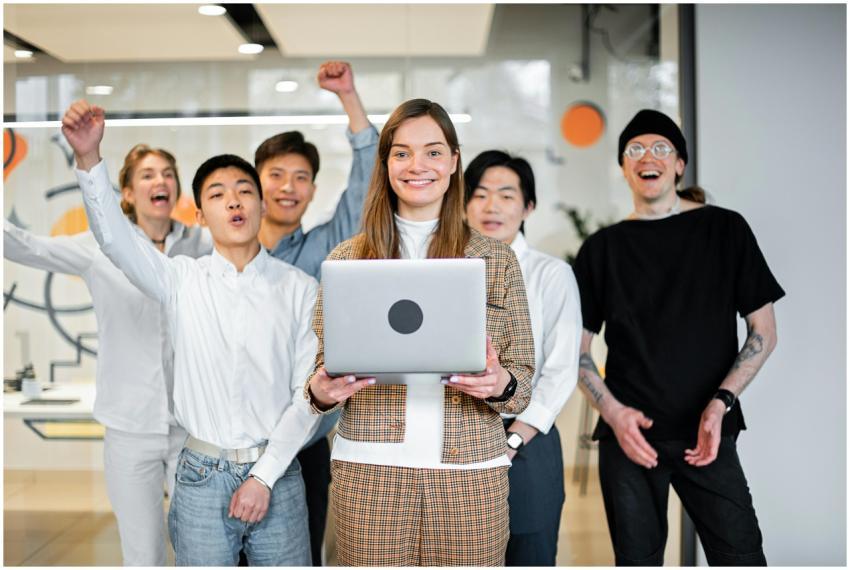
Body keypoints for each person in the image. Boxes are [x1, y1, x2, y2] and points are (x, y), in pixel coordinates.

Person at [62, 99, 320, 566]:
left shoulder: (300, 289)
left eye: (244, 190)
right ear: (201, 215)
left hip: (278, 472)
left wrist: (263, 477)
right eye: (218, 195)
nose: (235, 201)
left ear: (261, 204)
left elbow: (308, 396)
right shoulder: (180, 278)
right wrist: (88, 159)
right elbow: (114, 239)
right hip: (200, 473)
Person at [304, 99, 536, 566]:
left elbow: (522, 382)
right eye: (402, 152)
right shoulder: (348, 260)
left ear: (453, 161)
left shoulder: (495, 259)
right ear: (386, 163)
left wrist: (499, 384)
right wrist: (321, 390)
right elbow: (319, 377)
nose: (417, 166)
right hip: (370, 471)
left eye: (433, 152)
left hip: (470, 474)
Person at [572, 109, 784, 566]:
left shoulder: (725, 230)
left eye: (661, 148)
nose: (648, 157)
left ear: (680, 163)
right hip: (629, 438)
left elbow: (763, 331)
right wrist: (613, 412)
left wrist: (720, 403)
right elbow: (578, 351)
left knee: (741, 557)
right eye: (635, 150)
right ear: (624, 166)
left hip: (706, 431)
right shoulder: (601, 249)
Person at [4, 144, 210, 566]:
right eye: (149, 175)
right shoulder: (99, 246)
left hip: (194, 428)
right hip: (129, 427)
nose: (162, 181)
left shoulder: (202, 245)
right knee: (142, 552)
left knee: (202, 547)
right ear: (127, 193)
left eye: (169, 173)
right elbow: (25, 246)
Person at [254, 60, 377, 566]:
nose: (288, 186)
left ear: (310, 189)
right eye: (276, 174)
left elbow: (366, 183)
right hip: (231, 441)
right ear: (254, 182)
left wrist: (348, 96)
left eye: (301, 177)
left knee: (301, 557)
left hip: (304, 446)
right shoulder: (219, 258)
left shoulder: (328, 247)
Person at [463, 150, 582, 566]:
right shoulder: (444, 270)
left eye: (506, 195)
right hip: (458, 439)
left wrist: (514, 438)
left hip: (526, 441)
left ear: (528, 206)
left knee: (526, 553)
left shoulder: (551, 274)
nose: (491, 206)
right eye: (479, 194)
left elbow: (562, 368)